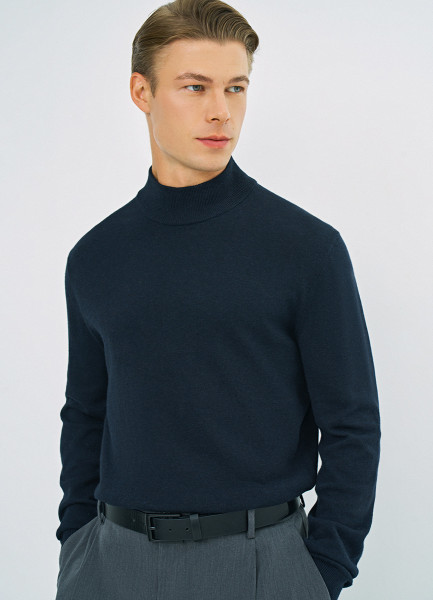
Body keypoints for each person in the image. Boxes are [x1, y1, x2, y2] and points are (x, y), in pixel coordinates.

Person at [55, 1, 381, 599]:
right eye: (195, 86)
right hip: (110, 564)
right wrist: (76, 544)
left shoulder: (306, 248)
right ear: (142, 92)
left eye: (236, 87)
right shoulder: (96, 256)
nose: (220, 111)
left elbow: (352, 424)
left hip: (261, 565)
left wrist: (321, 571)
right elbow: (85, 414)